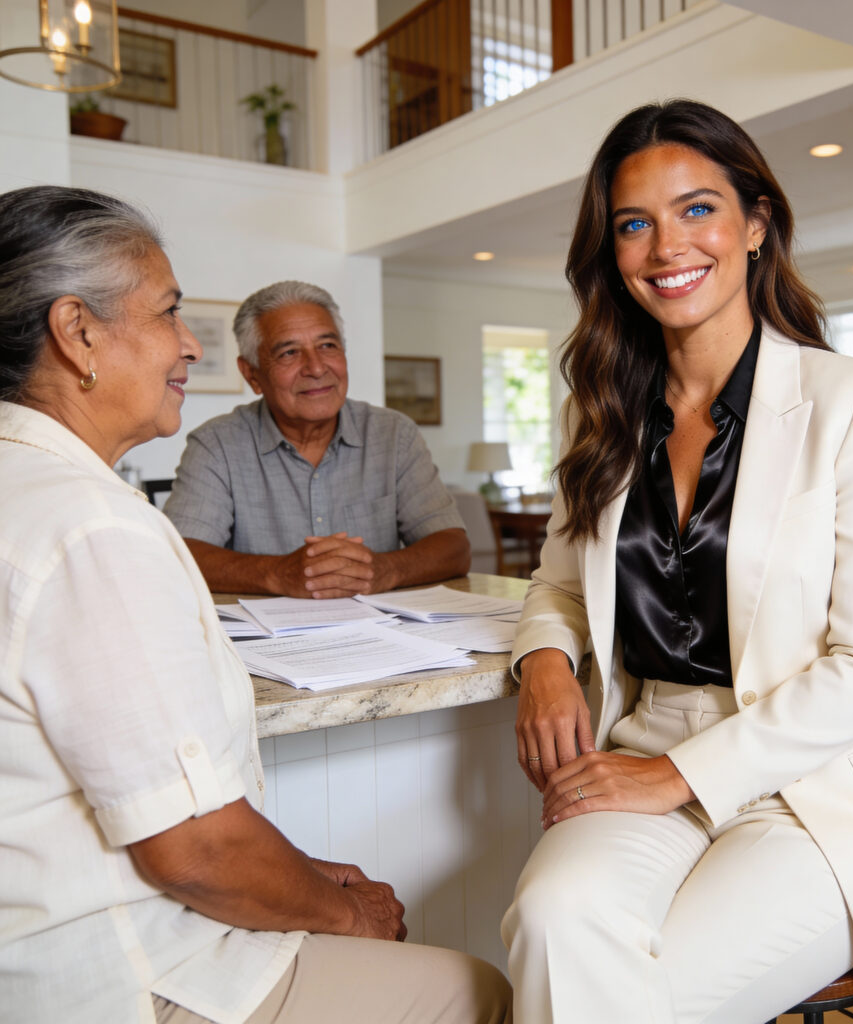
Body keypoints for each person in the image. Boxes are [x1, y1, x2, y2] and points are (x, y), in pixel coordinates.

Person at [500, 100, 853, 1024]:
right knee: (551, 923)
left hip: (818, 786)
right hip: (641, 744)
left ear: (756, 225)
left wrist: (680, 776)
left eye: (697, 209)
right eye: (635, 223)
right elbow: (556, 582)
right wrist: (544, 662)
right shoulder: (603, 415)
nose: (667, 245)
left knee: (638, 1002)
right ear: (614, 254)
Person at [0, 185, 511, 1024]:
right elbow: (196, 851)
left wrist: (309, 873)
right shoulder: (94, 527)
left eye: (328, 345)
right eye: (168, 312)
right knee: (481, 991)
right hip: (121, 972)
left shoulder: (34, 488)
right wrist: (347, 912)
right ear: (76, 332)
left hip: (61, 933)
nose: (185, 344)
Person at [163, 280, 470, 599]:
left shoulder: (395, 434)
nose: (316, 367)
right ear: (252, 374)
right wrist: (278, 574)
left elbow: (453, 546)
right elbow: (180, 553)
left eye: (327, 346)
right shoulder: (216, 444)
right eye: (289, 352)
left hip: (380, 635)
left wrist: (383, 570)